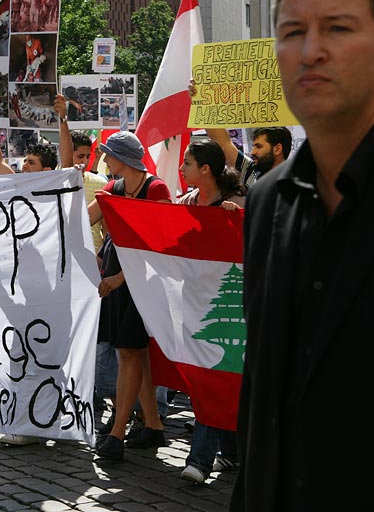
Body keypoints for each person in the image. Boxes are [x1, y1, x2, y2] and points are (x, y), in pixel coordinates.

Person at [232, 0, 374, 511]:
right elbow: (263, 391)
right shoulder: (267, 200)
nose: (310, 51)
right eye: (292, 32)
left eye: (337, 28)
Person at [88, 131, 172, 461]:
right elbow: (86, 219)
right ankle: (153, 425)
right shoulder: (113, 188)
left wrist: (121, 277)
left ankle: (116, 433)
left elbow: (162, 244)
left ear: (124, 158)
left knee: (129, 352)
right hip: (117, 278)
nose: (105, 160)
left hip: (143, 282)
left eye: (109, 154)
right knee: (135, 354)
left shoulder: (157, 189)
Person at [174, 139, 243, 484]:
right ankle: (231, 454)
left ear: (205, 169)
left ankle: (199, 461)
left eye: (187, 163)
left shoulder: (236, 204)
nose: (181, 169)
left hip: (228, 312)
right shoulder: (185, 203)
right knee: (212, 380)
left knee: (213, 380)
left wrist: (236, 220)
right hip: (194, 306)